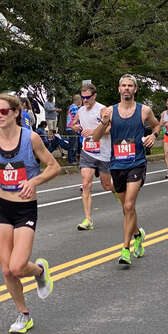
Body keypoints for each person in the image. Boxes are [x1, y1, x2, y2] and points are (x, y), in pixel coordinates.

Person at [0, 94, 61, 334]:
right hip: (2, 206)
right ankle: (24, 314)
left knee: (18, 266)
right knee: (6, 269)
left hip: (25, 208)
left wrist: (34, 182)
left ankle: (40, 272)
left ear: (15, 113)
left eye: (3, 112)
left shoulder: (31, 138)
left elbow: (54, 167)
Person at [92, 74, 161, 265]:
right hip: (116, 165)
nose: (127, 88)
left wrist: (154, 135)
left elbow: (157, 126)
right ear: (119, 89)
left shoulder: (144, 110)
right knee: (126, 208)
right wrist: (104, 122)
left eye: (130, 85)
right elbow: (96, 138)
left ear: (135, 89)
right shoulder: (109, 111)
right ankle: (138, 234)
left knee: (129, 205)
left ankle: (125, 249)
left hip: (136, 162)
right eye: (124, 85)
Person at [71, 83, 115, 230]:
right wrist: (75, 126)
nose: (85, 100)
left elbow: (110, 128)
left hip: (103, 153)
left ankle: (121, 195)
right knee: (85, 184)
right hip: (88, 152)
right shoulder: (81, 110)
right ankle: (88, 219)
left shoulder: (102, 110)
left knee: (107, 185)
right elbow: (73, 123)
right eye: (83, 97)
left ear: (94, 96)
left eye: (88, 97)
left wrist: (94, 132)